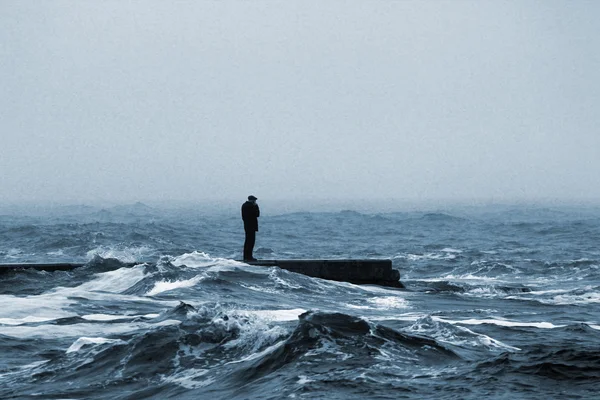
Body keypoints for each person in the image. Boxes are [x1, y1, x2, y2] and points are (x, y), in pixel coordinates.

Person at [241, 195, 260, 261]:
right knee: (250, 242)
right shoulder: (251, 206)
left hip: (247, 226)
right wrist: (256, 206)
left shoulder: (244, 205)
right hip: (251, 226)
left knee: (248, 242)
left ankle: (246, 257)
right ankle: (248, 257)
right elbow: (257, 214)